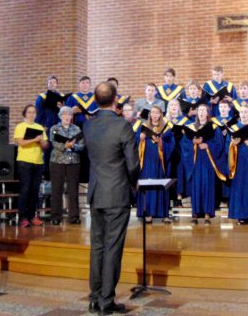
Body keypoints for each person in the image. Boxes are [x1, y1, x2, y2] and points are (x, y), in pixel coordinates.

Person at [83, 82, 139, 315]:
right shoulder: (123, 126)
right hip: (116, 193)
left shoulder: (88, 126)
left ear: (95, 100)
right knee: (112, 247)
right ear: (115, 99)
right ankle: (106, 300)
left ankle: (95, 297)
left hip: (96, 192)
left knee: (97, 246)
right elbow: (133, 164)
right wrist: (131, 184)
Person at [180, 104, 226, 224]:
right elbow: (184, 144)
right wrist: (192, 142)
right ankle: (195, 214)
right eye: (199, 110)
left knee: (207, 185)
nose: (201, 112)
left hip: (207, 159)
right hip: (195, 160)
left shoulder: (214, 127)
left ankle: (207, 214)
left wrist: (207, 145)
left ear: (207, 113)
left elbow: (219, 144)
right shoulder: (190, 127)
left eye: (203, 110)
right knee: (196, 186)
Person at [133, 105, 174, 224]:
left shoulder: (166, 129)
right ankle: (148, 213)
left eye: (157, 113)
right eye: (153, 113)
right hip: (146, 161)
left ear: (161, 115)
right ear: (150, 115)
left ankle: (164, 214)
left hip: (160, 162)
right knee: (148, 185)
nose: (155, 115)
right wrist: (140, 138)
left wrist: (160, 142)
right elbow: (135, 141)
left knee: (161, 185)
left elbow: (171, 145)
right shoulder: (143, 127)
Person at [13, 104, 49, 228]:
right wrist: (35, 140)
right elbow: (21, 143)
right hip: (24, 161)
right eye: (29, 112)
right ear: (25, 114)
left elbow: (45, 146)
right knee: (25, 189)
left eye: (34, 112)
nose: (31, 114)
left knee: (35, 190)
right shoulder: (20, 126)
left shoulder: (39, 127)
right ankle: (23, 217)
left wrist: (41, 141)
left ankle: (32, 215)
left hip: (38, 162)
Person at [49, 106, 85, 225]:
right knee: (56, 189)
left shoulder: (77, 129)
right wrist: (65, 146)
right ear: (60, 116)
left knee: (73, 190)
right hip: (57, 162)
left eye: (69, 115)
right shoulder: (54, 128)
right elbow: (54, 143)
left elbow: (81, 145)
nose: (67, 117)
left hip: (73, 162)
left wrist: (73, 146)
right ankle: (55, 216)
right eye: (64, 114)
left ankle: (74, 216)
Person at [35, 75, 64, 179]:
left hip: (58, 127)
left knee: (58, 148)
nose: (52, 84)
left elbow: (64, 113)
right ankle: (45, 173)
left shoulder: (61, 97)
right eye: (50, 82)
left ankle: (57, 173)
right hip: (46, 127)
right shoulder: (42, 97)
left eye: (54, 82)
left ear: (57, 84)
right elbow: (38, 113)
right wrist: (41, 126)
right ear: (47, 84)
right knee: (47, 150)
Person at [165, 99, 189, 205]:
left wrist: (185, 132)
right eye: (171, 105)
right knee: (169, 171)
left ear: (178, 108)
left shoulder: (184, 120)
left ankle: (179, 196)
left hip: (180, 148)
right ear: (168, 108)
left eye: (175, 105)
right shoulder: (164, 120)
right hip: (169, 149)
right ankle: (170, 196)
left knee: (179, 172)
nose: (173, 107)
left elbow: (190, 134)